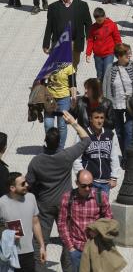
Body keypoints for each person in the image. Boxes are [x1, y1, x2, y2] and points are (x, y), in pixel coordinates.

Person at [26, 113, 89, 272]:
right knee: (67, 240)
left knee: (41, 241)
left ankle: (39, 268)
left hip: (44, 205)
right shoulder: (67, 156)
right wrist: (74, 122)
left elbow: (29, 184)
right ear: (59, 142)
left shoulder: (36, 161)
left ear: (45, 142)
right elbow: (86, 139)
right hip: (65, 204)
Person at [56, 170, 113, 270]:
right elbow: (62, 224)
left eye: (90, 185)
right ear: (77, 183)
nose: (87, 188)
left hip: (95, 247)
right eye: (83, 186)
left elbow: (109, 218)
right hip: (76, 248)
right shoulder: (68, 197)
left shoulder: (101, 196)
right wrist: (70, 247)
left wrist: (100, 230)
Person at [0, 172, 47, 272]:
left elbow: (35, 223)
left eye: (26, 182)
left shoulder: (31, 198)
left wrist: (42, 246)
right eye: (22, 184)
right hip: (9, 253)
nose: (27, 185)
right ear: (12, 188)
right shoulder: (2, 203)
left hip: (29, 252)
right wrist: (7, 233)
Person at [42, 0, 92, 68]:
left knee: (73, 67)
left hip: (75, 43)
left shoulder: (82, 5)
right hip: (59, 42)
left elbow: (88, 24)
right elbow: (49, 27)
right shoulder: (53, 7)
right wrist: (46, 44)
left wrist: (89, 40)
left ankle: (72, 81)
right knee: (59, 69)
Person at [72, 107, 121, 194]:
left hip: (106, 182)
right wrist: (81, 176)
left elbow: (114, 156)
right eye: (96, 117)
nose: (99, 121)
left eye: (102, 118)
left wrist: (114, 177)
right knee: (89, 207)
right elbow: (76, 158)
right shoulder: (83, 135)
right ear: (90, 119)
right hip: (89, 183)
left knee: (104, 207)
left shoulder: (110, 135)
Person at [85, 8, 122, 80]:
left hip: (109, 53)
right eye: (97, 21)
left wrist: (120, 50)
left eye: (101, 20)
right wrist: (88, 53)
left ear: (104, 16)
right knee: (99, 74)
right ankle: (100, 90)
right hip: (98, 55)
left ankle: (107, 90)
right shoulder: (93, 28)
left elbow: (117, 38)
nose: (100, 22)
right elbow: (90, 40)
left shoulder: (112, 25)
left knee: (107, 73)